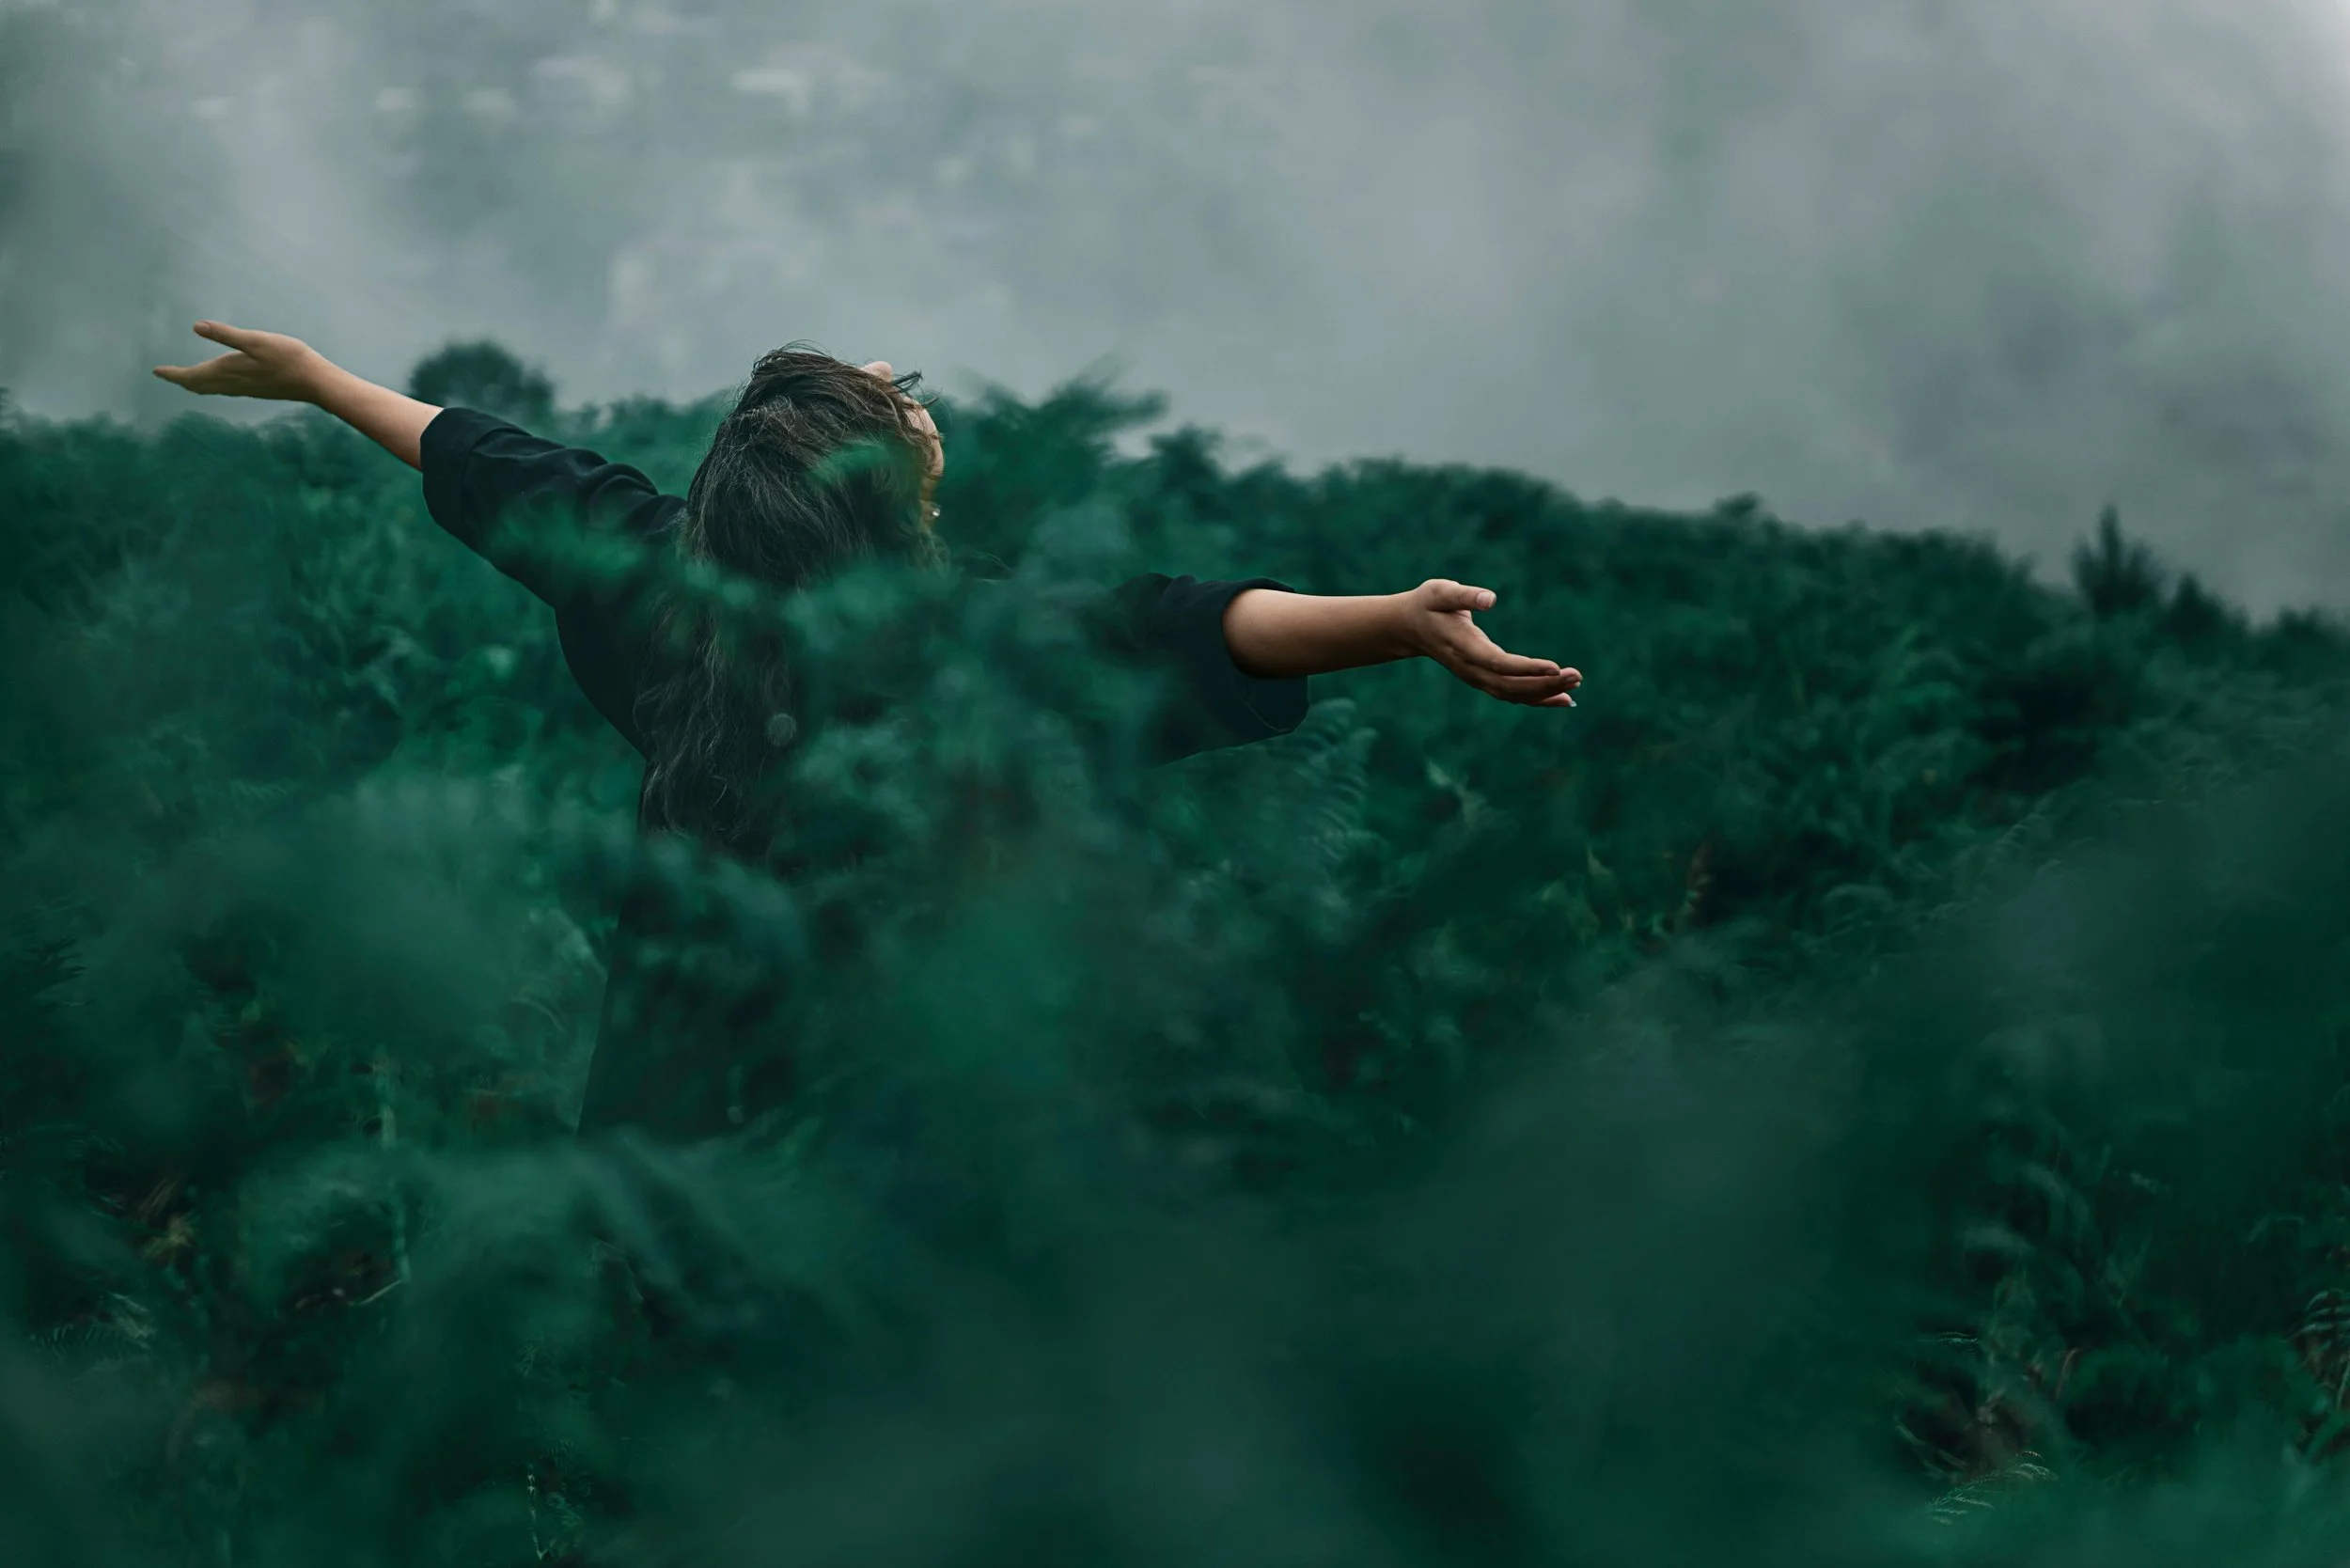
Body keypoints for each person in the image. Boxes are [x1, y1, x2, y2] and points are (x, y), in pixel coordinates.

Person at [154, 321, 1583, 1140]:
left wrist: (318, 378)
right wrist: (1396, 622)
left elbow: (485, 463)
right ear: (889, 496)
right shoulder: (950, 643)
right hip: (886, 1116)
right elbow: (1175, 627)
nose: (915, 397)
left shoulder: (656, 577)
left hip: (666, 1102)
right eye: (902, 412)